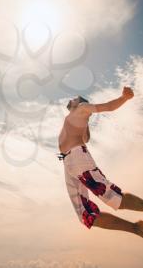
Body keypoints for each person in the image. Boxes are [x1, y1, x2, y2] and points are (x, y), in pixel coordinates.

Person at [58, 86, 143, 237]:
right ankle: (136, 228)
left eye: (75, 98)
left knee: (111, 196)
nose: (72, 99)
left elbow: (108, 106)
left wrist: (124, 98)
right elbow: (86, 139)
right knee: (85, 215)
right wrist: (86, 120)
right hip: (68, 162)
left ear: (79, 103)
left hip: (78, 158)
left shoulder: (82, 107)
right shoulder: (75, 117)